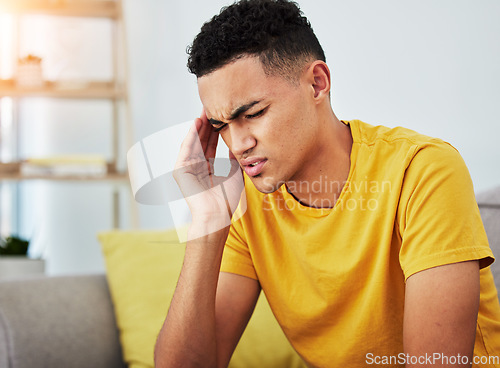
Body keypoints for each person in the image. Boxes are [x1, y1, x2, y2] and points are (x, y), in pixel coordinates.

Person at [154, 0, 500, 367]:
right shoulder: (244, 203)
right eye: (222, 125)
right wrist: (208, 221)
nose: (238, 145)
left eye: (253, 113)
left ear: (317, 84)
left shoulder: (422, 170)